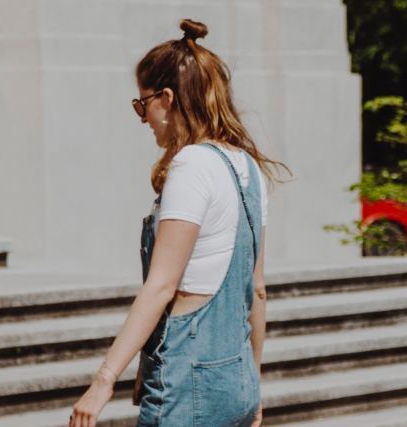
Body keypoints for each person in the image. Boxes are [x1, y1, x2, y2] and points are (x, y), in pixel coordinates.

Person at [69, 18, 287, 427]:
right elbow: (257, 291)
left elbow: (162, 286)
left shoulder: (192, 165)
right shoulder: (250, 170)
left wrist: (104, 381)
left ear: (166, 98)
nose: (142, 117)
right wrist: (252, 383)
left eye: (142, 104)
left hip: (189, 389)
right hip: (236, 382)